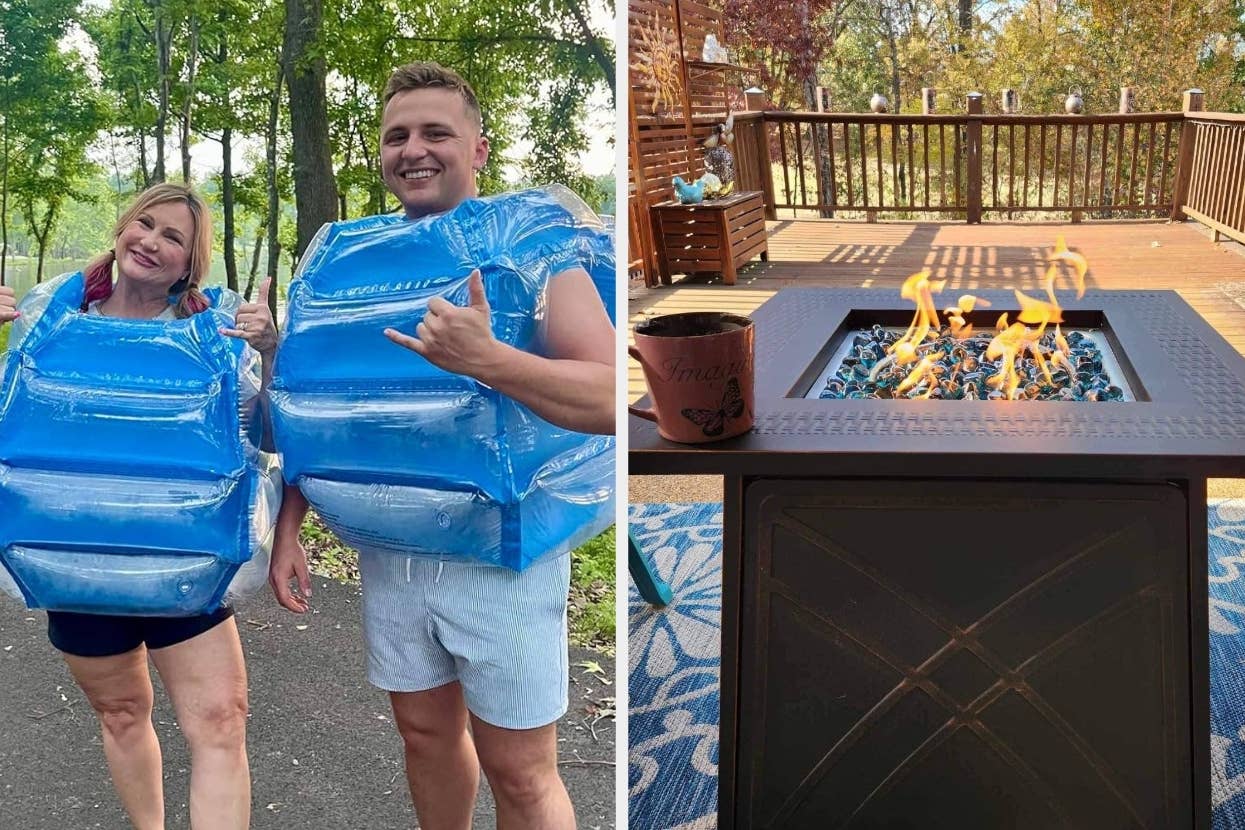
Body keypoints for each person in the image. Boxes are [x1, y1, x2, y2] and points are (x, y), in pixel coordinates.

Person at [268, 62, 615, 830]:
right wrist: (289, 527)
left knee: (520, 773)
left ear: (479, 149)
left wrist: (491, 361)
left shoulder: (531, 242)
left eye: (436, 132)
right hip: (389, 552)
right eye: (397, 136)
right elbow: (320, 411)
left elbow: (610, 396)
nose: (413, 149)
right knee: (423, 735)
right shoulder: (345, 260)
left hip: (500, 558)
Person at [0, 183, 277, 830]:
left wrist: (269, 352)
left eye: (173, 237)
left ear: (190, 263)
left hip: (185, 557)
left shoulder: (214, 331)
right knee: (123, 715)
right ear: (122, 228)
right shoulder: (48, 319)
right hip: (73, 559)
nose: (151, 242)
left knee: (219, 721)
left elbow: (263, 437)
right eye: (144, 224)